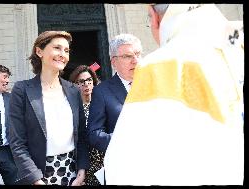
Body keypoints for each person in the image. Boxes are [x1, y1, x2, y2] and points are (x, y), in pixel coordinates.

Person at [104, 4, 244, 185]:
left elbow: (126, 163)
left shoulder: (159, 66)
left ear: (154, 17)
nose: (134, 60)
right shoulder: (237, 42)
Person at [9, 31, 89, 185]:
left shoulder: (73, 90)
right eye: (57, 48)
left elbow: (82, 135)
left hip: (72, 173)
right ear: (39, 51)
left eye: (66, 51)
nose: (62, 54)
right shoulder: (21, 90)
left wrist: (82, 170)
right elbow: (17, 142)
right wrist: (35, 178)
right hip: (37, 175)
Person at [87, 33, 143, 154]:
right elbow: (94, 134)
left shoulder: (155, 85)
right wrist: (127, 142)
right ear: (114, 61)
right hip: (124, 163)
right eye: (128, 56)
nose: (135, 60)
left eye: (138, 54)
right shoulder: (101, 92)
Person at [69, 65, 103, 185]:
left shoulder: (102, 104)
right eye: (81, 81)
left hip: (103, 160)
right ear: (74, 84)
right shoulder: (72, 109)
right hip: (82, 162)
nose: (86, 84)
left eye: (89, 80)